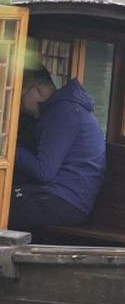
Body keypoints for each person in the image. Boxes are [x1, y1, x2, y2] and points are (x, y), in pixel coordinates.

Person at [9, 67, 106, 230]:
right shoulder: (62, 109)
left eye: (20, 98)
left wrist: (10, 146)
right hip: (63, 196)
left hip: (65, 199)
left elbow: (43, 171)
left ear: (37, 90)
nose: (20, 107)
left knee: (4, 202)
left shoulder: (64, 113)